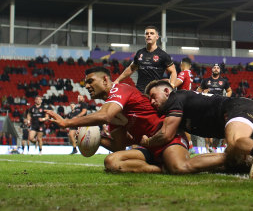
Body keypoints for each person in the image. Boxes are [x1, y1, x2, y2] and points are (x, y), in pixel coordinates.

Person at [47, 66, 226, 174]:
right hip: (147, 147)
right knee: (111, 162)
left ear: (105, 80)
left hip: (168, 138)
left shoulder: (120, 90)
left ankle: (231, 158)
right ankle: (161, 169)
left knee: (180, 168)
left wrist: (67, 123)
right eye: (85, 83)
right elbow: (118, 145)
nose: (86, 86)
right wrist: (96, 139)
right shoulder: (111, 110)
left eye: (90, 81)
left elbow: (105, 115)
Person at [142, 79, 253, 179]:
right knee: (236, 163)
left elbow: (166, 135)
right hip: (243, 111)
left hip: (237, 108)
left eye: (153, 96)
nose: (152, 102)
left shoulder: (174, 98)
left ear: (166, 91)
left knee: (235, 140)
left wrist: (148, 142)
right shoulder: (177, 107)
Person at [113, 26, 177, 93]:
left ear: (157, 37)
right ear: (145, 37)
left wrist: (171, 85)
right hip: (140, 91)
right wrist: (117, 80)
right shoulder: (139, 53)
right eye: (147, 33)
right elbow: (131, 68)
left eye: (152, 33)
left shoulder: (163, 55)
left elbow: (173, 71)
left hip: (154, 92)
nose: (149, 35)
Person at [198, 63, 232, 152]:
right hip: (208, 106)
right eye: (214, 68)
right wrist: (203, 93)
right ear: (212, 70)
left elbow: (229, 90)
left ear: (220, 70)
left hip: (219, 106)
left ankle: (216, 146)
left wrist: (226, 98)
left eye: (218, 68)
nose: (216, 69)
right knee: (207, 126)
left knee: (221, 125)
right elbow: (198, 91)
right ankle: (207, 147)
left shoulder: (224, 81)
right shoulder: (205, 81)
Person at [171, 57, 194, 149]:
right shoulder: (190, 74)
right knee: (184, 126)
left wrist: (170, 83)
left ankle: (188, 146)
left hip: (182, 102)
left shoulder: (183, 73)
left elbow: (175, 84)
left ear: (181, 65)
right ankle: (189, 146)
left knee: (178, 124)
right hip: (189, 101)